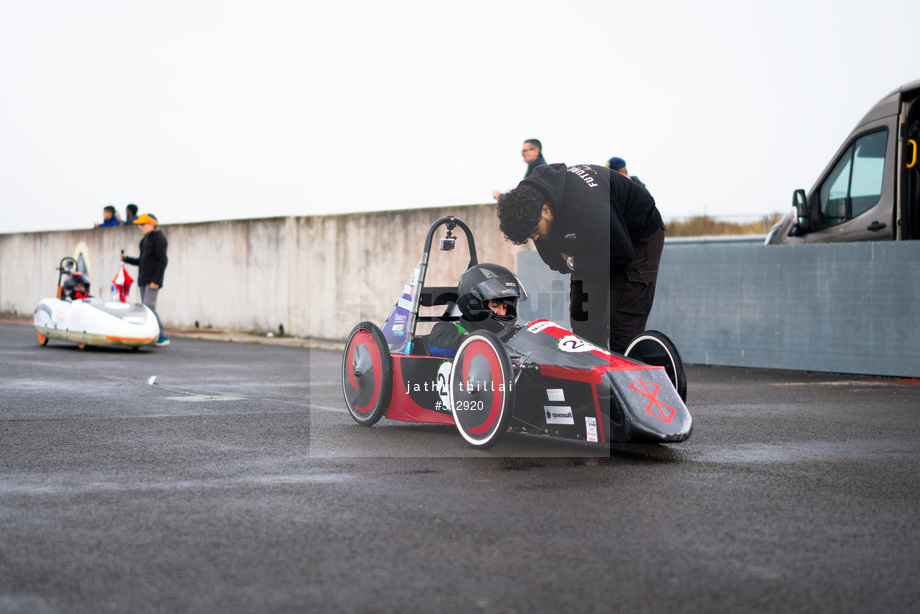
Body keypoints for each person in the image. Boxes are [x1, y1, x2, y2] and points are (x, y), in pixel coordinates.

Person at [496, 162, 665, 353]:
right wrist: (573, 261)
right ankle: (595, 379)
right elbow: (554, 261)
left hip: (637, 237)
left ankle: (628, 378)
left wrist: (574, 260)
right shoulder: (530, 212)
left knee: (623, 325)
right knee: (583, 319)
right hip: (592, 243)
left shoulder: (586, 204)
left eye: (535, 231)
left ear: (545, 209)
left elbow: (621, 254)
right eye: (530, 236)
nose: (535, 238)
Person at [427, 263, 527, 358]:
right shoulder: (449, 328)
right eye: (495, 305)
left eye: (506, 306)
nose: (502, 311)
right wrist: (476, 341)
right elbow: (437, 344)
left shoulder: (513, 335)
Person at [121, 213, 170, 346]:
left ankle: (163, 336)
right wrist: (127, 259)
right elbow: (141, 261)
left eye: (143, 224)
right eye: (139, 225)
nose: (140, 227)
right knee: (146, 309)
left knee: (149, 307)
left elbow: (163, 261)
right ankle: (152, 335)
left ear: (152, 224)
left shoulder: (159, 239)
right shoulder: (144, 241)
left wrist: (157, 281)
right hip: (143, 280)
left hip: (152, 281)